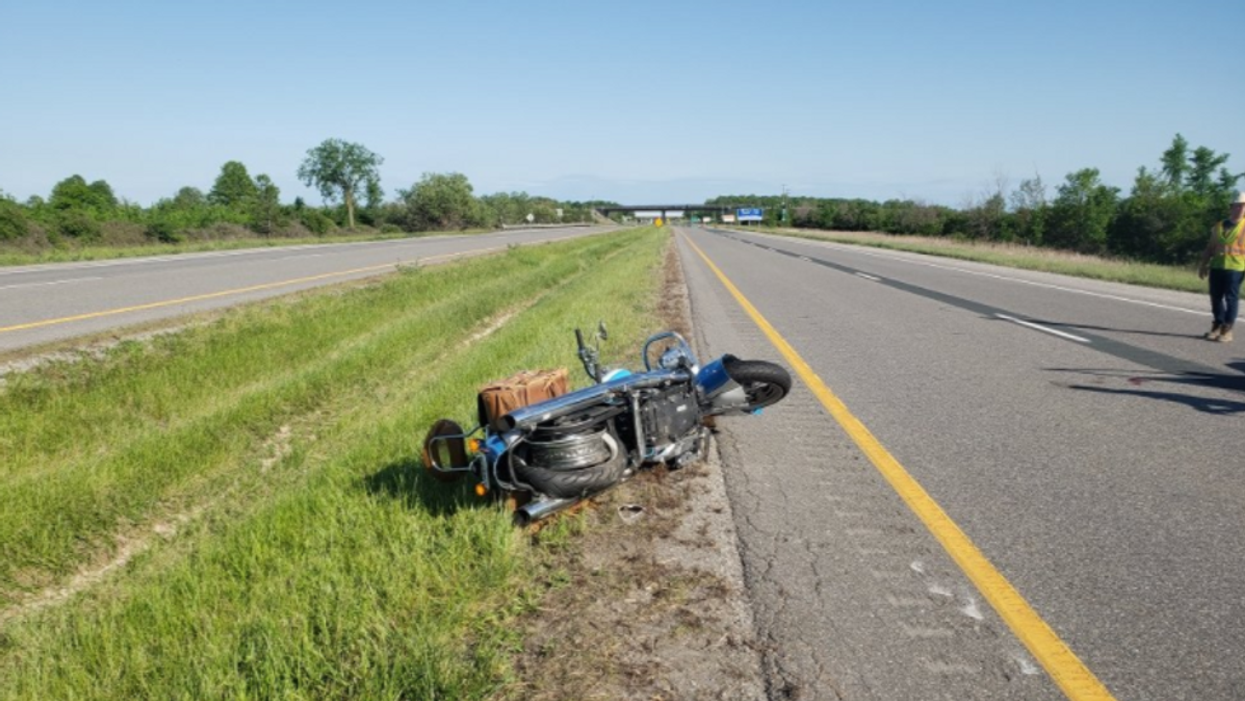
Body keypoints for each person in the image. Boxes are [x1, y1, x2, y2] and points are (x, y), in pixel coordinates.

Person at [1197, 191, 1245, 343]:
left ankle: (1227, 328)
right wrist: (1203, 264)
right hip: (1217, 266)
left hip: (1236, 268)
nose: (1239, 209)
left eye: (1242, 206)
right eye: (1237, 206)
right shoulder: (1219, 226)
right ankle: (1217, 323)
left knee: (1231, 298)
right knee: (1215, 297)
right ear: (1231, 207)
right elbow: (1210, 247)